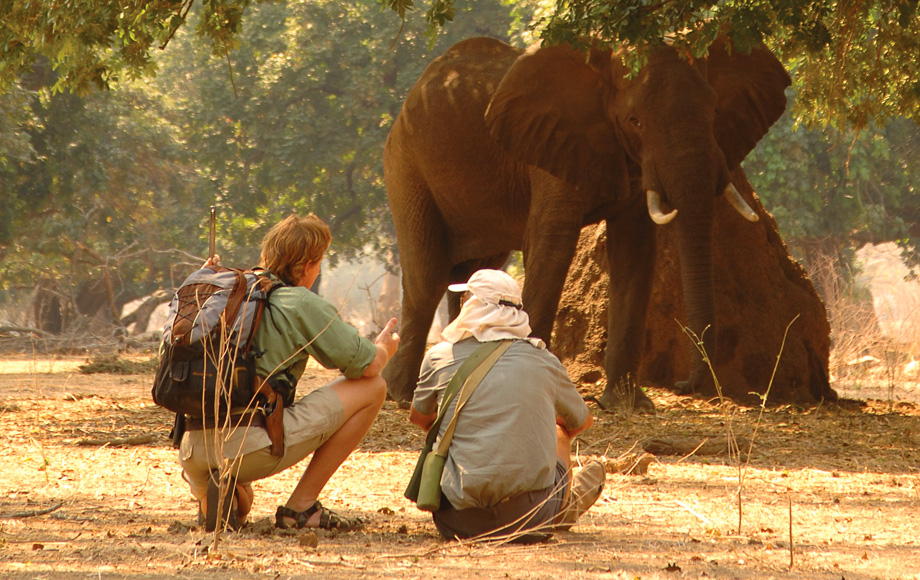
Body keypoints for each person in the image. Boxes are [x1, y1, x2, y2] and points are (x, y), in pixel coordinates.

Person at [178, 213, 400, 532]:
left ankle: (216, 494)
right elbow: (368, 366)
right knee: (374, 387)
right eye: (320, 262)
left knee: (242, 501)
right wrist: (384, 348)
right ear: (309, 263)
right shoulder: (298, 302)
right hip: (249, 446)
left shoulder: (221, 295)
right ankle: (301, 508)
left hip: (190, 449)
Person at [409, 269, 605, 540]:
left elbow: (419, 417)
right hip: (528, 519)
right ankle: (560, 509)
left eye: (466, 297)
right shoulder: (544, 360)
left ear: (474, 304)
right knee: (559, 431)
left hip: (455, 522)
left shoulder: (438, 356)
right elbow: (581, 422)